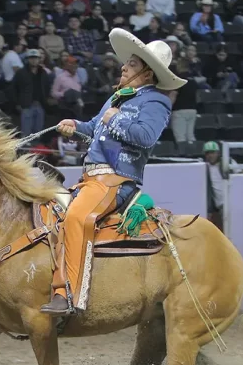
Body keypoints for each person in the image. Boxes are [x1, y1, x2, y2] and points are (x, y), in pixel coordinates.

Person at [40, 28, 186, 315]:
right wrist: (72, 126)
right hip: (90, 180)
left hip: (116, 180)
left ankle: (68, 294)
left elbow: (145, 137)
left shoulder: (157, 102)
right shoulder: (117, 98)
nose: (123, 66)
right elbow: (92, 129)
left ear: (147, 73)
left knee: (77, 216)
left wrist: (116, 118)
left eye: (131, 64)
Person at [204, 141, 224, 231]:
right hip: (218, 205)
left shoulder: (228, 162)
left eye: (212, 152)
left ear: (218, 153)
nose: (210, 155)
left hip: (231, 201)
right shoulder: (204, 168)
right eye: (207, 153)